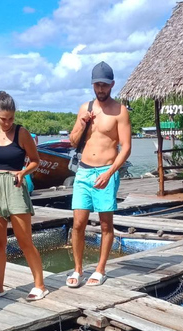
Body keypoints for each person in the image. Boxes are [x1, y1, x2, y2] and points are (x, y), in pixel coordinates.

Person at [0, 91, 48, 301]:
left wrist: (23, 172)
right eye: (3, 119)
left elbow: (35, 160)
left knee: (24, 240)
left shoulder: (22, 133)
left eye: (11, 118)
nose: (7, 123)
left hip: (15, 187)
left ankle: (40, 285)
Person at [67, 62, 132, 287]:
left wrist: (110, 173)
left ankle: (100, 269)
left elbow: (126, 148)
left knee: (106, 224)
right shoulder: (85, 108)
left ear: (112, 85)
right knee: (78, 223)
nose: (100, 89)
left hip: (106, 170)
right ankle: (77, 270)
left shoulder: (120, 111)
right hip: (83, 171)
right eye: (97, 85)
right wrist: (82, 123)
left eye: (104, 85)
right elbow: (73, 141)